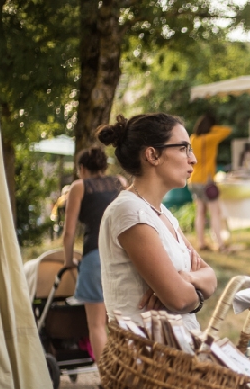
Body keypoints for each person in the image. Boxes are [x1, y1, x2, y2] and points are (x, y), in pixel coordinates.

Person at [97, 113, 217, 331]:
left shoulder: (162, 214)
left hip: (178, 354)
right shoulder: (130, 212)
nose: (193, 159)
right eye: (183, 148)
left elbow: (211, 278)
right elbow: (179, 300)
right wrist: (193, 292)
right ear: (152, 155)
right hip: (148, 356)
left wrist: (185, 277)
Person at [62, 147, 126, 370]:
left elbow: (69, 232)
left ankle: (108, 382)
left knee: (97, 325)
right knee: (122, 323)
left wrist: (68, 261)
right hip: (122, 256)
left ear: (82, 169)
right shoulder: (120, 182)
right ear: (104, 166)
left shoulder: (79, 187)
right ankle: (127, 374)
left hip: (95, 256)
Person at [189, 114, 232, 251]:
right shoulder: (211, 138)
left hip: (194, 179)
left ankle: (201, 243)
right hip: (207, 180)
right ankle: (220, 243)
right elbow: (226, 131)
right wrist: (214, 127)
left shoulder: (193, 138)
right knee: (215, 212)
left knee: (200, 212)